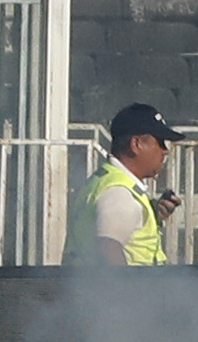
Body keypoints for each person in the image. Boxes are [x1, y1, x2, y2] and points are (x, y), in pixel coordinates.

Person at [66, 101, 180, 267]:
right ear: (136, 144)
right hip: (122, 285)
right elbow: (107, 248)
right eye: (160, 142)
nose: (165, 150)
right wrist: (125, 284)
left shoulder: (106, 180)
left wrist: (152, 215)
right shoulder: (120, 192)